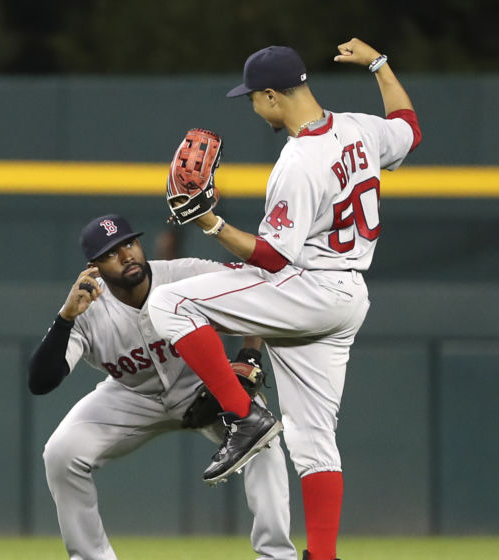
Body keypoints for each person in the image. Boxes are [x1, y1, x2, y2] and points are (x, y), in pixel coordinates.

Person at [146, 38, 422, 560]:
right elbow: (409, 127)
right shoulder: (360, 128)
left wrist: (211, 222)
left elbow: (273, 259)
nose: (252, 106)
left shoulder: (298, 161)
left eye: (253, 97)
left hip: (311, 287)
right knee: (315, 443)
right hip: (349, 299)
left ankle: (241, 415)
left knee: (171, 305)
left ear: (273, 95)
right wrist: (381, 65)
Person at [28, 214, 297, 560]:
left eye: (129, 243)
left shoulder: (184, 273)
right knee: (61, 453)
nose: (126, 256)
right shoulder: (87, 308)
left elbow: (256, 290)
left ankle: (276, 555)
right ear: (93, 266)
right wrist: (65, 318)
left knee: (262, 436)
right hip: (132, 395)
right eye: (112, 253)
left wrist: (250, 352)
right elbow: (41, 381)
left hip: (203, 383)